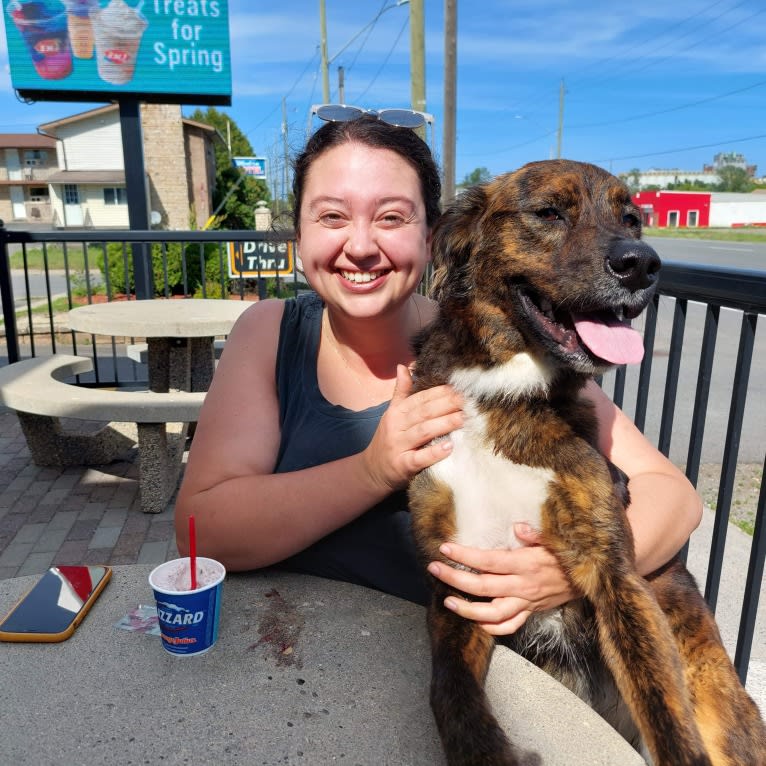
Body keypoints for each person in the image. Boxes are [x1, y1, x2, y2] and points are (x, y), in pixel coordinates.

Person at [175, 111, 702, 636]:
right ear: (299, 233)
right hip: (287, 649)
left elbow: (675, 497)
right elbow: (202, 531)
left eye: (391, 218)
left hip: (469, 682)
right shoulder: (271, 331)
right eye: (332, 216)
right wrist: (371, 471)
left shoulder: (496, 345)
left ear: (433, 237)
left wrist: (573, 571)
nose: (360, 245)